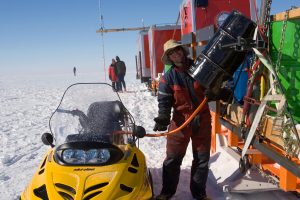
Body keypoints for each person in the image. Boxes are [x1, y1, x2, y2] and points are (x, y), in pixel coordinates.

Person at [153, 39, 211, 200]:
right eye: (171, 53)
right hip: (180, 122)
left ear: (182, 51)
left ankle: (199, 194)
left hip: (202, 120)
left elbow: (214, 84)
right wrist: (163, 117)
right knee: (172, 159)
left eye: (177, 50)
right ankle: (167, 192)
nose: (176, 54)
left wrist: (218, 92)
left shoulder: (199, 67)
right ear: (169, 58)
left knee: (201, 159)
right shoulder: (168, 78)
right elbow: (164, 101)